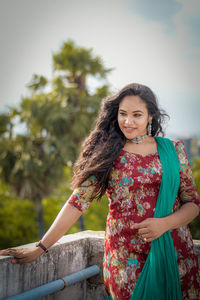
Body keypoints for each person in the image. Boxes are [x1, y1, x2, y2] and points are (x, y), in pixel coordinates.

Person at [0, 83, 200, 299]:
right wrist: (40, 247)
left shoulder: (173, 151)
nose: (128, 121)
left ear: (150, 116)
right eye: (123, 114)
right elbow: (78, 202)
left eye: (137, 115)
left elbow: (193, 204)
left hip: (174, 253)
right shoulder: (109, 153)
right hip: (125, 259)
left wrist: (164, 224)